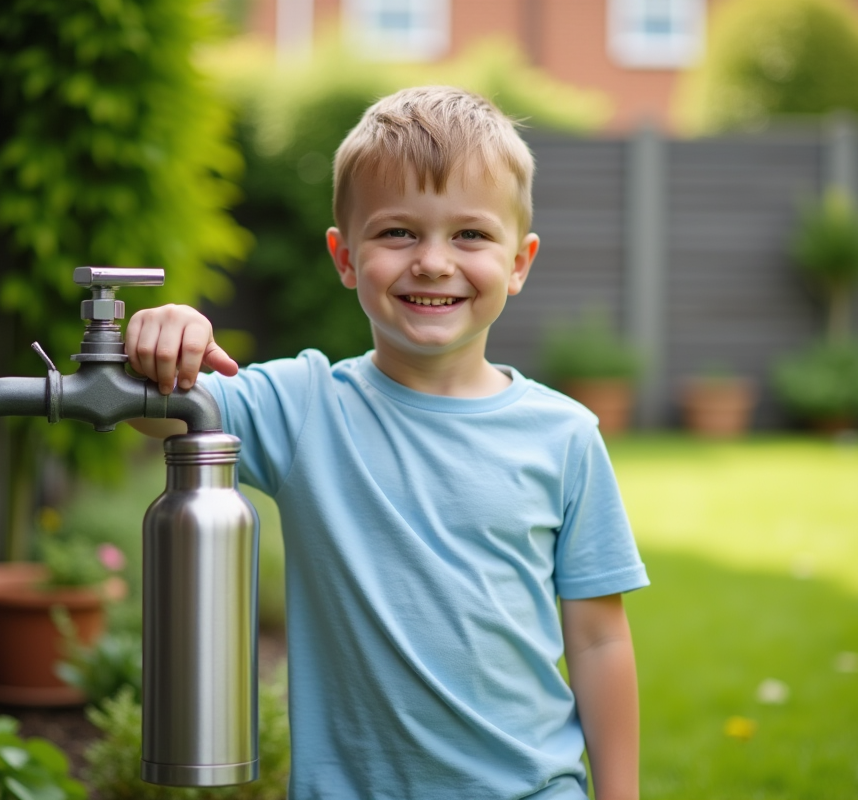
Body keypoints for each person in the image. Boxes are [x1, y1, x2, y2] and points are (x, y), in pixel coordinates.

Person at [126, 86, 649, 800]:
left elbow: (598, 640)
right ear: (345, 257)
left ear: (519, 262)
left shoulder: (564, 436)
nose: (433, 262)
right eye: (399, 232)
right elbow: (159, 411)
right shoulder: (303, 406)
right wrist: (161, 339)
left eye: (470, 235)